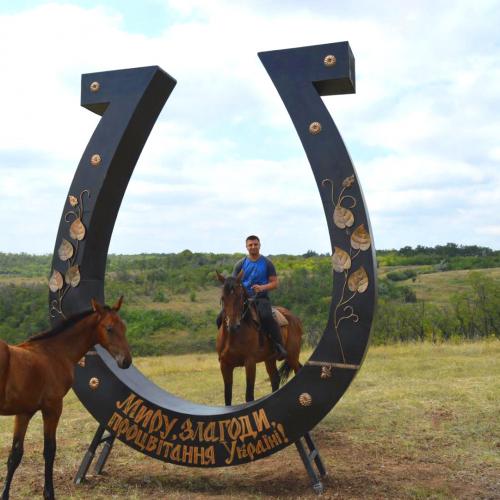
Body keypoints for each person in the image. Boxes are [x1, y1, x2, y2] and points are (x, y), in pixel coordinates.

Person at [217, 235, 287, 360]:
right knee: (219, 318)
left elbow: (275, 283)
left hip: (260, 299)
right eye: (250, 245)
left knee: (267, 316)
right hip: (241, 300)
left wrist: (262, 288)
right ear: (246, 247)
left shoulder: (267, 263)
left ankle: (279, 346)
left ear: (260, 245)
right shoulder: (240, 264)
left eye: (255, 244)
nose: (253, 247)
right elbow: (233, 283)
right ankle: (223, 346)